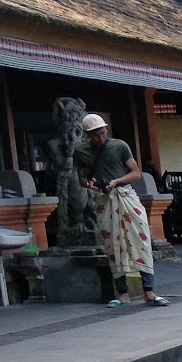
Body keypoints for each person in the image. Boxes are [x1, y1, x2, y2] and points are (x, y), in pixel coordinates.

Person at [74, 113, 167, 307]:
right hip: (104, 200)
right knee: (112, 246)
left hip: (126, 195)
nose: (100, 137)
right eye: (96, 135)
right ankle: (123, 294)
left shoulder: (119, 146)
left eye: (102, 133)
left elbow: (136, 173)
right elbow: (82, 178)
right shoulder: (81, 152)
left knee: (141, 240)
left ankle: (149, 291)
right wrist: (89, 184)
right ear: (87, 135)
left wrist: (117, 181)